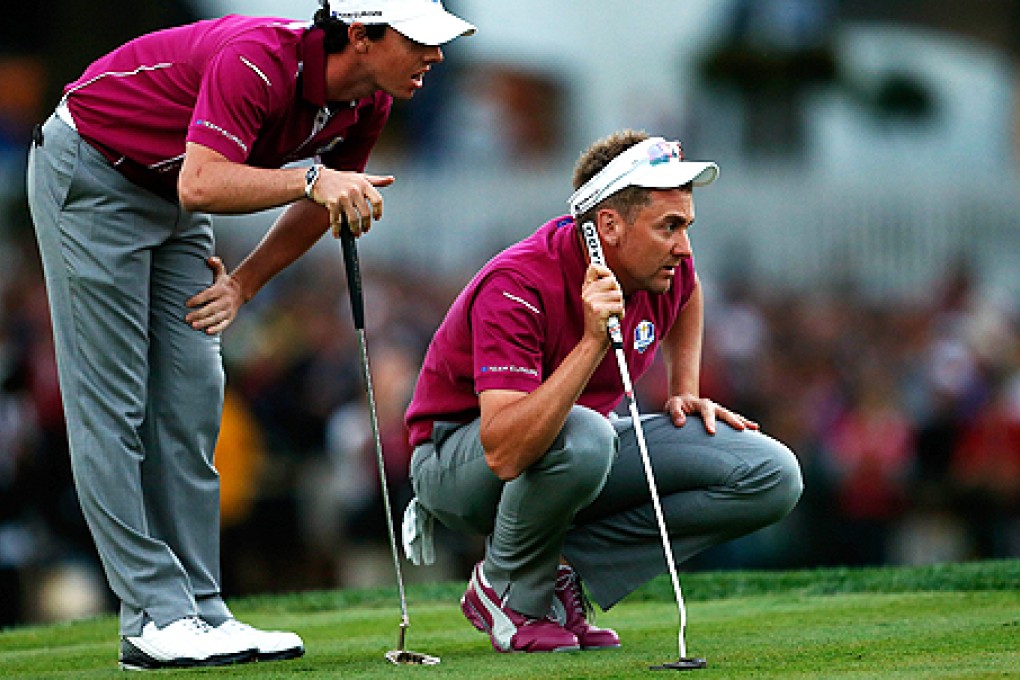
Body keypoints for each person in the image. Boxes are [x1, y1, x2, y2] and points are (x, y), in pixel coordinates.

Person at [25, 0, 474, 670]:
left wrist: (243, 283)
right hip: (93, 171)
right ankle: (156, 612)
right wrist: (316, 179)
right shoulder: (256, 60)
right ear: (361, 34)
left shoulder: (368, 103)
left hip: (171, 193)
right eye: (420, 40)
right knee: (113, 403)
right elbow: (206, 182)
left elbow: (320, 203)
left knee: (194, 392)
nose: (435, 57)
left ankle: (200, 610)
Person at [401, 130, 804, 653]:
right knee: (589, 434)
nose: (684, 247)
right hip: (456, 466)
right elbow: (502, 451)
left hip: (576, 452)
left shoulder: (666, 269)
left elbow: (691, 294)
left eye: (686, 227)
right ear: (609, 225)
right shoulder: (517, 285)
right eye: (669, 227)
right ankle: (504, 589)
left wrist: (685, 387)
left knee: (772, 475)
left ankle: (556, 567)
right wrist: (593, 343)